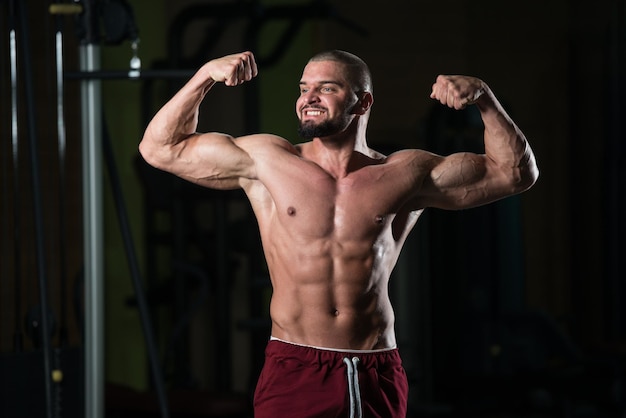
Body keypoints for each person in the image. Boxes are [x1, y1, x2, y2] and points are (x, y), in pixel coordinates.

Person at [139, 50, 538, 418]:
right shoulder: (268, 160)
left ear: (362, 103)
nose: (309, 97)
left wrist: (484, 98)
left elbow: (515, 174)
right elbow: (160, 148)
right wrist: (206, 75)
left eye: (326, 88)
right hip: (295, 365)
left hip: (374, 366)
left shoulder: (405, 173)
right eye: (304, 88)